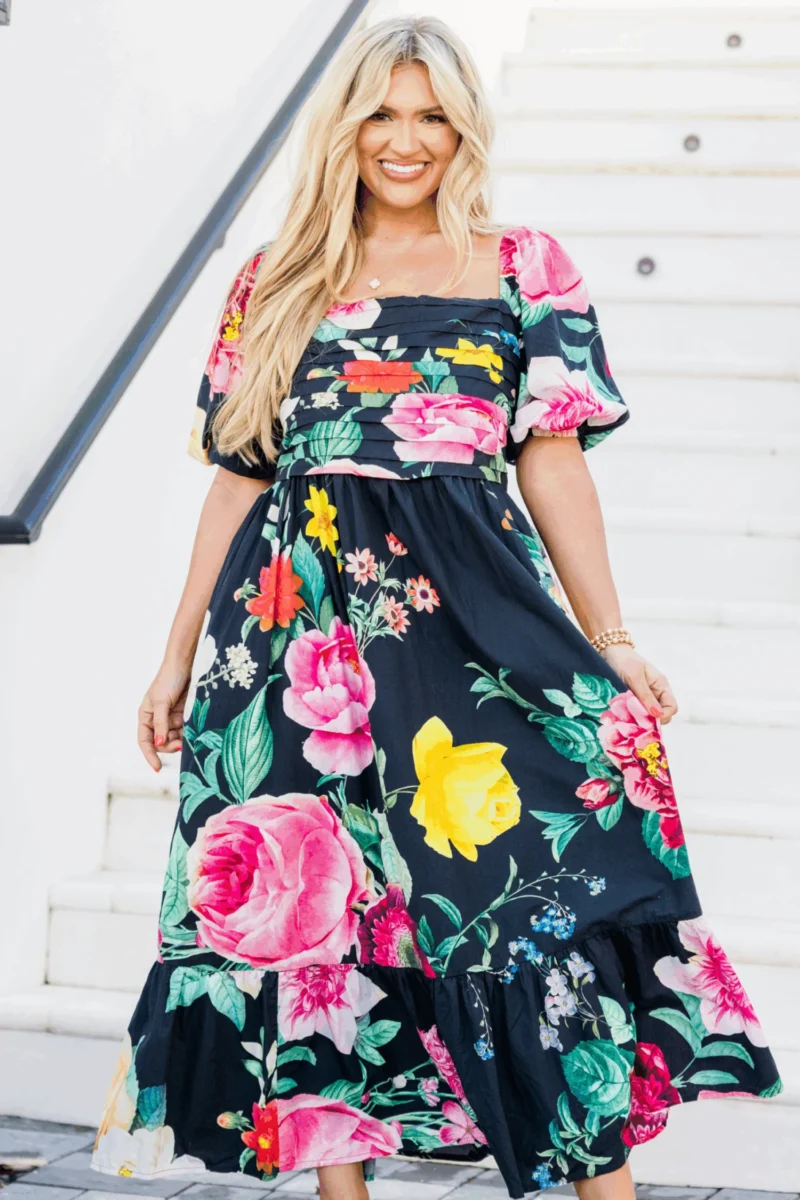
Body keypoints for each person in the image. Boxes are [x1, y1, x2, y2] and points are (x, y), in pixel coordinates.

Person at [90, 15, 782, 1200]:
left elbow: (551, 463)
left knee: (527, 907)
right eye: (380, 113)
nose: (403, 140)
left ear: (464, 132)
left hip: (466, 626)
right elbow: (239, 477)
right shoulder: (274, 277)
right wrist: (173, 659)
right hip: (291, 644)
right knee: (318, 913)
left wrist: (609, 639)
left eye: (431, 117)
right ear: (344, 127)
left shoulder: (521, 266)